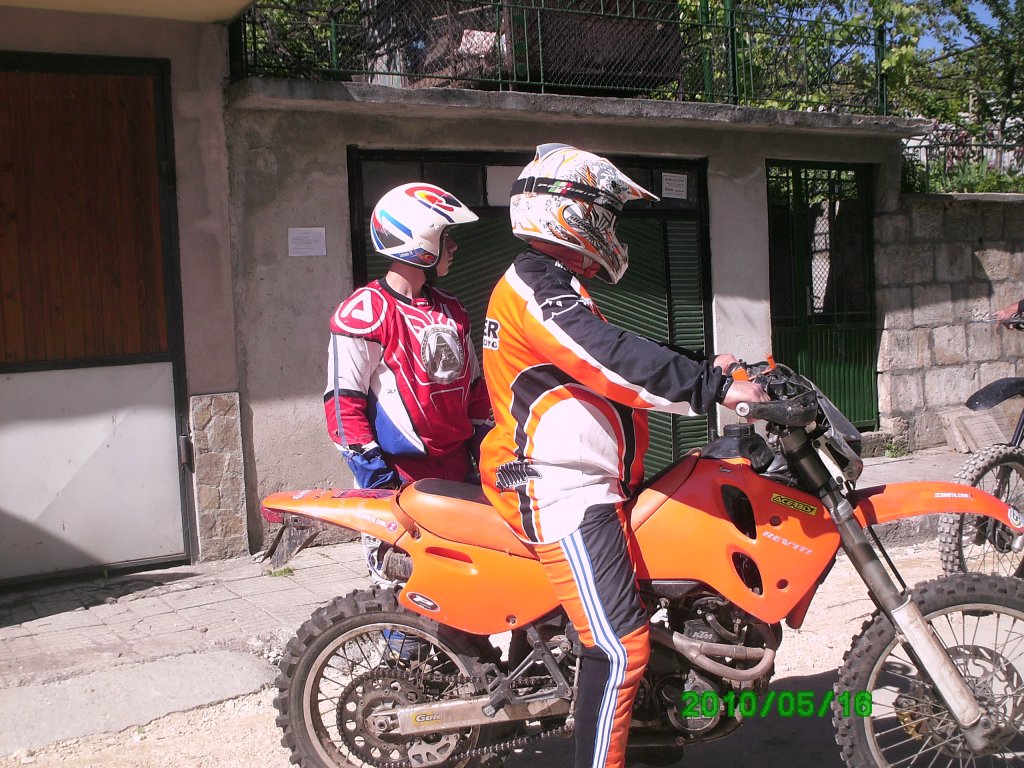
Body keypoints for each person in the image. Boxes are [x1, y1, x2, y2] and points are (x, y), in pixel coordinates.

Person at [478, 144, 770, 768]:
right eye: (606, 216)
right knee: (618, 648)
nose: (611, 231)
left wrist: (705, 364)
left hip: (591, 480)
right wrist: (711, 387)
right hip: (558, 489)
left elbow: (612, 346)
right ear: (572, 215)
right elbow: (606, 355)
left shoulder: (556, 286)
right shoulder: (534, 287)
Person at [325, 182, 491, 585]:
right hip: (398, 478)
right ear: (419, 241)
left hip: (458, 474)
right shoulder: (364, 312)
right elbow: (343, 407)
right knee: (405, 596)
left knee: (464, 587)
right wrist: (380, 485)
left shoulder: (452, 309)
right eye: (446, 237)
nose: (453, 247)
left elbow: (475, 393)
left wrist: (488, 458)